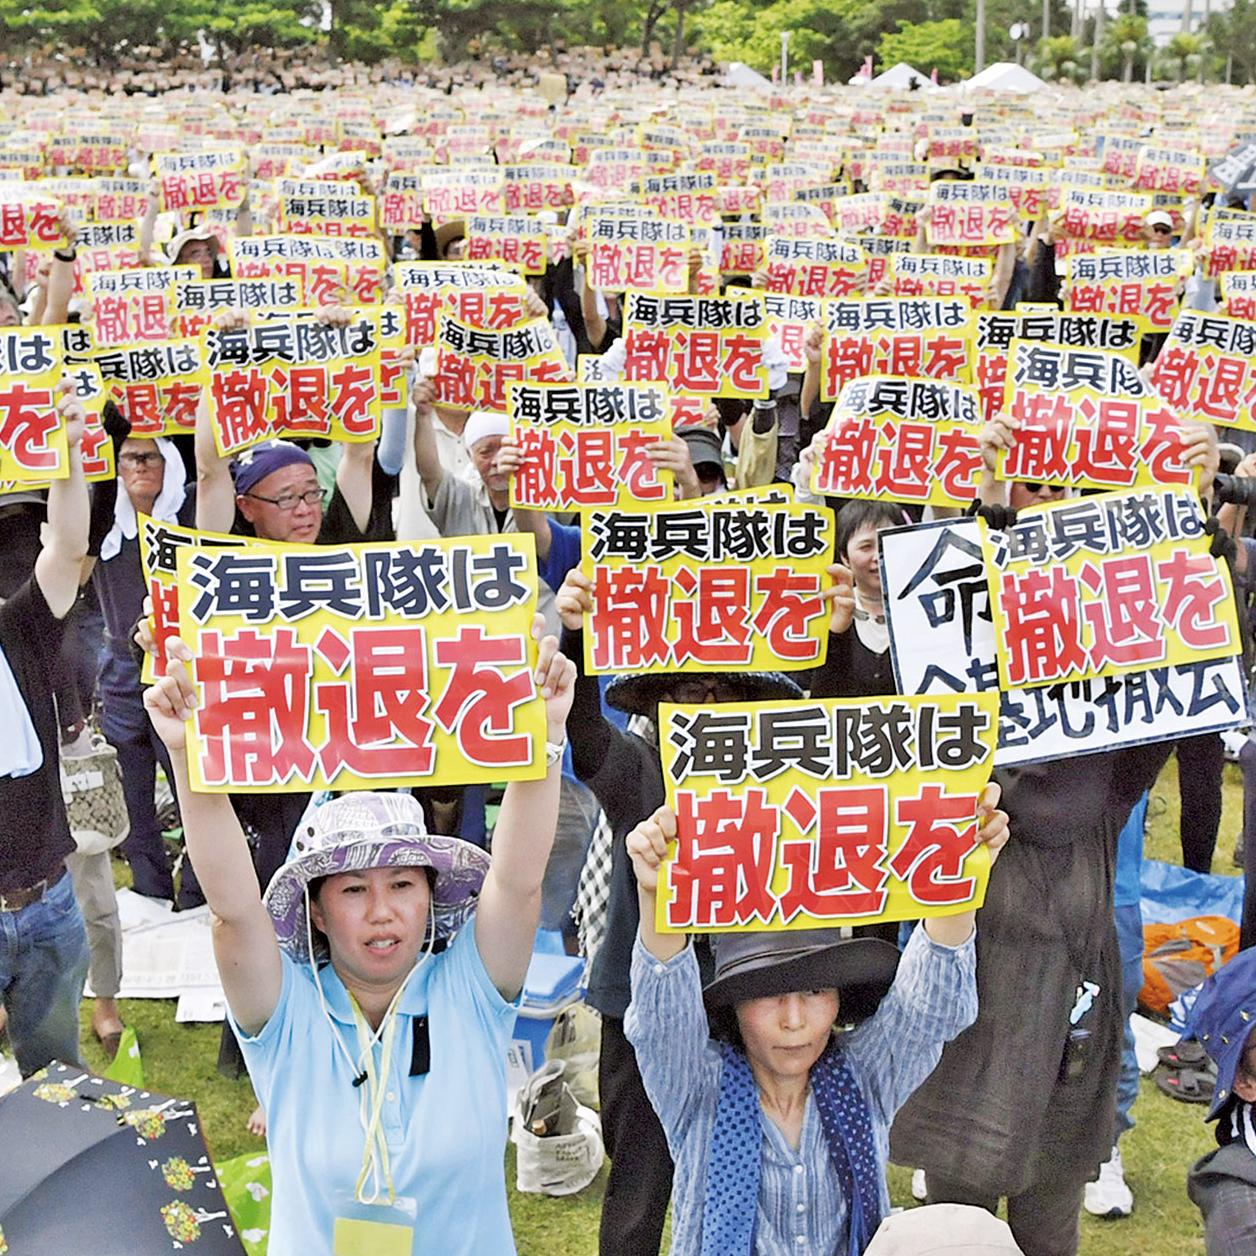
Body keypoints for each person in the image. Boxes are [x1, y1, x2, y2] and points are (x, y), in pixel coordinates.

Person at [142, 620, 576, 1255]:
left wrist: (545, 734)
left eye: (403, 884)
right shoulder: (286, 1012)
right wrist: (186, 754)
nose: (383, 911)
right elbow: (234, 914)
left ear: (431, 895)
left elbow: (515, 883)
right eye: (352, 890)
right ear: (316, 911)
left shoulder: (471, 988)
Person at [623, 785, 1009, 1255]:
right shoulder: (696, 1087)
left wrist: (958, 872)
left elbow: (929, 1010)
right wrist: (656, 894)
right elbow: (662, 1021)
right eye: (768, 995)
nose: (794, 1020)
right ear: (735, 1004)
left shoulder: (863, 1076)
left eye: (814, 991)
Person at [0, 382, 93, 1076]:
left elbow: (65, 546)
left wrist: (67, 455)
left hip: (50, 901)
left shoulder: (17, 625)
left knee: (56, 1076)